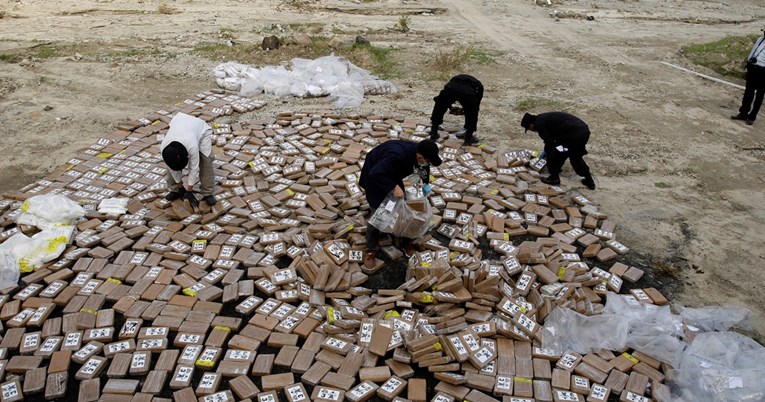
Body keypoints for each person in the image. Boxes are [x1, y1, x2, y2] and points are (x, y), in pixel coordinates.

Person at [359, 139, 442, 270]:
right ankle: (370, 250)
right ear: (420, 156)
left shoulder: (420, 153)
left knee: (403, 208)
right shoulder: (397, 155)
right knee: (379, 213)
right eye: (426, 160)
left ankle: (406, 241)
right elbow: (376, 172)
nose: (426, 164)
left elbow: (423, 167)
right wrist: (393, 186)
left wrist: (426, 183)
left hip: (393, 174)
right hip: (375, 176)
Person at [521, 112, 596, 190]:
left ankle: (554, 178)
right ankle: (589, 181)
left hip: (573, 134)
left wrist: (547, 152)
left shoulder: (539, 125)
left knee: (553, 154)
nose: (532, 130)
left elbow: (550, 142)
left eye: (529, 129)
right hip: (583, 131)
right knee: (575, 157)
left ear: (530, 125)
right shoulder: (542, 117)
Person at [161, 112, 217, 208]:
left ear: (187, 156)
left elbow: (193, 168)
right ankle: (175, 190)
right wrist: (180, 186)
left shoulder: (192, 146)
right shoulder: (164, 148)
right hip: (180, 122)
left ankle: (207, 192)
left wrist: (189, 190)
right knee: (172, 162)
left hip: (201, 129)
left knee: (205, 160)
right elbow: (171, 167)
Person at [430, 74, 484, 146]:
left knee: (440, 104)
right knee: (472, 112)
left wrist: (449, 106)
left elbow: (443, 99)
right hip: (466, 92)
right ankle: (468, 139)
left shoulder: (477, 86)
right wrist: (465, 110)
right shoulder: (479, 88)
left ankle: (433, 133)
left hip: (451, 87)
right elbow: (475, 107)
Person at [732, 26, 765, 126]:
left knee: (759, 95)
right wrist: (747, 66)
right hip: (753, 68)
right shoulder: (760, 39)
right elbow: (753, 52)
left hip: (763, 70)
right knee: (748, 92)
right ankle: (743, 113)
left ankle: (752, 117)